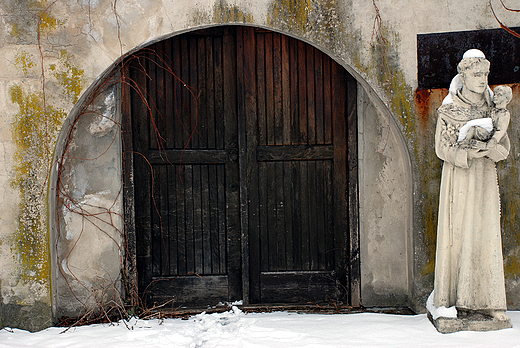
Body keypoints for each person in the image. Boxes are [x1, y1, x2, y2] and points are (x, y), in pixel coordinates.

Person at [433, 49, 510, 321]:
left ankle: (487, 301)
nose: (482, 78)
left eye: (485, 73)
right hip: (460, 178)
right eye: (476, 73)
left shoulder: (495, 109)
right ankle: (451, 300)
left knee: (485, 235)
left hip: (486, 178)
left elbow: (505, 147)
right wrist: (466, 154)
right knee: (458, 236)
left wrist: (491, 149)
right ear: (463, 74)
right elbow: (442, 147)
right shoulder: (449, 107)